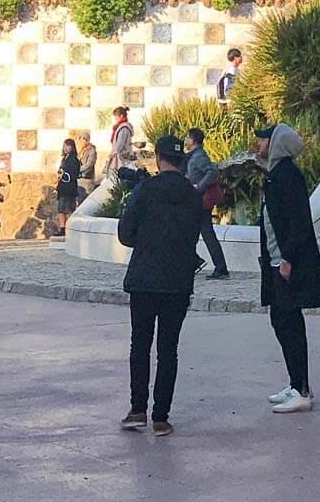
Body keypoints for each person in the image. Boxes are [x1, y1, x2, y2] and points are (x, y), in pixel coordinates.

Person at [116, 135, 202, 436]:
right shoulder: (193, 195)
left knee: (140, 345)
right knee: (169, 349)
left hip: (144, 279)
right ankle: (161, 417)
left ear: (158, 158)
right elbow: (195, 234)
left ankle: (138, 409)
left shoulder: (146, 189)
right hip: (178, 281)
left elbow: (125, 233)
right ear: (181, 160)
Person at [255, 124, 320, 414]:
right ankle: (296, 383)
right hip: (276, 261)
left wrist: (287, 258)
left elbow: (299, 220)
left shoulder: (287, 175)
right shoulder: (276, 174)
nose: (259, 145)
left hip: (286, 263)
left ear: (276, 144)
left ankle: (301, 389)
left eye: (263, 140)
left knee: (289, 323)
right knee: (280, 320)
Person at [181, 129, 229, 279]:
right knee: (193, 231)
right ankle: (200, 262)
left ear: (193, 140)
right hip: (198, 200)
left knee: (203, 233)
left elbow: (212, 172)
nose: (186, 141)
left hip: (200, 201)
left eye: (188, 138)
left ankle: (219, 267)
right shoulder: (194, 156)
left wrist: (199, 187)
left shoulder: (199, 157)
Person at [54, 139, 82, 239]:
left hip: (70, 187)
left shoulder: (74, 160)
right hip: (62, 187)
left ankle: (69, 229)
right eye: (65, 146)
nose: (66, 148)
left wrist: (64, 175)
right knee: (61, 209)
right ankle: (62, 229)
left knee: (69, 209)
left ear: (72, 147)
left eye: (68, 146)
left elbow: (74, 174)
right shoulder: (64, 159)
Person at [107, 108, 137, 179]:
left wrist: (114, 152)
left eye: (116, 117)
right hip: (120, 156)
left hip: (121, 157)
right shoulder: (122, 127)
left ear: (121, 116)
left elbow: (120, 143)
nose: (115, 119)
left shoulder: (124, 128)